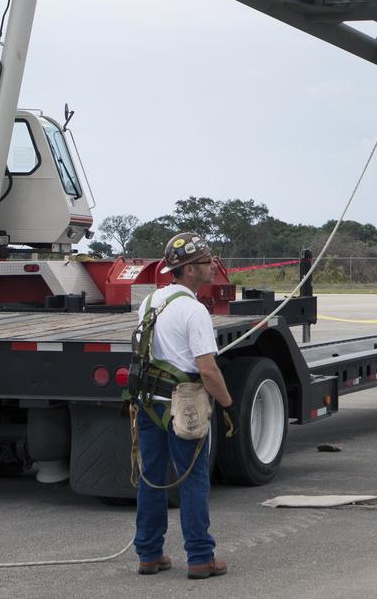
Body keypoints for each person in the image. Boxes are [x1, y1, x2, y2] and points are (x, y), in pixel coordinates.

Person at [132, 232, 234, 580]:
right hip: (185, 407)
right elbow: (207, 369)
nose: (211, 266)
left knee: (151, 478)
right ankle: (201, 558)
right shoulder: (194, 311)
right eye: (206, 262)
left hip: (150, 405)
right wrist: (227, 404)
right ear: (189, 270)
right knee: (193, 481)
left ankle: (149, 554)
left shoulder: (151, 303)